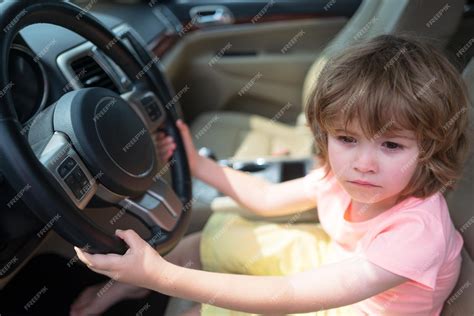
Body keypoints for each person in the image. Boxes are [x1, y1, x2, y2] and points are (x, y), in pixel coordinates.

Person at [70, 34, 470, 315]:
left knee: (201, 313)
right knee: (219, 233)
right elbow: (265, 199)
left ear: (430, 150)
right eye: (347, 138)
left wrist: (163, 275)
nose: (363, 163)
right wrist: (200, 166)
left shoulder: (418, 235)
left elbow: (288, 294)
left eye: (391, 146)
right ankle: (131, 284)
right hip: (339, 262)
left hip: (360, 307)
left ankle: (154, 284)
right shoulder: (342, 177)